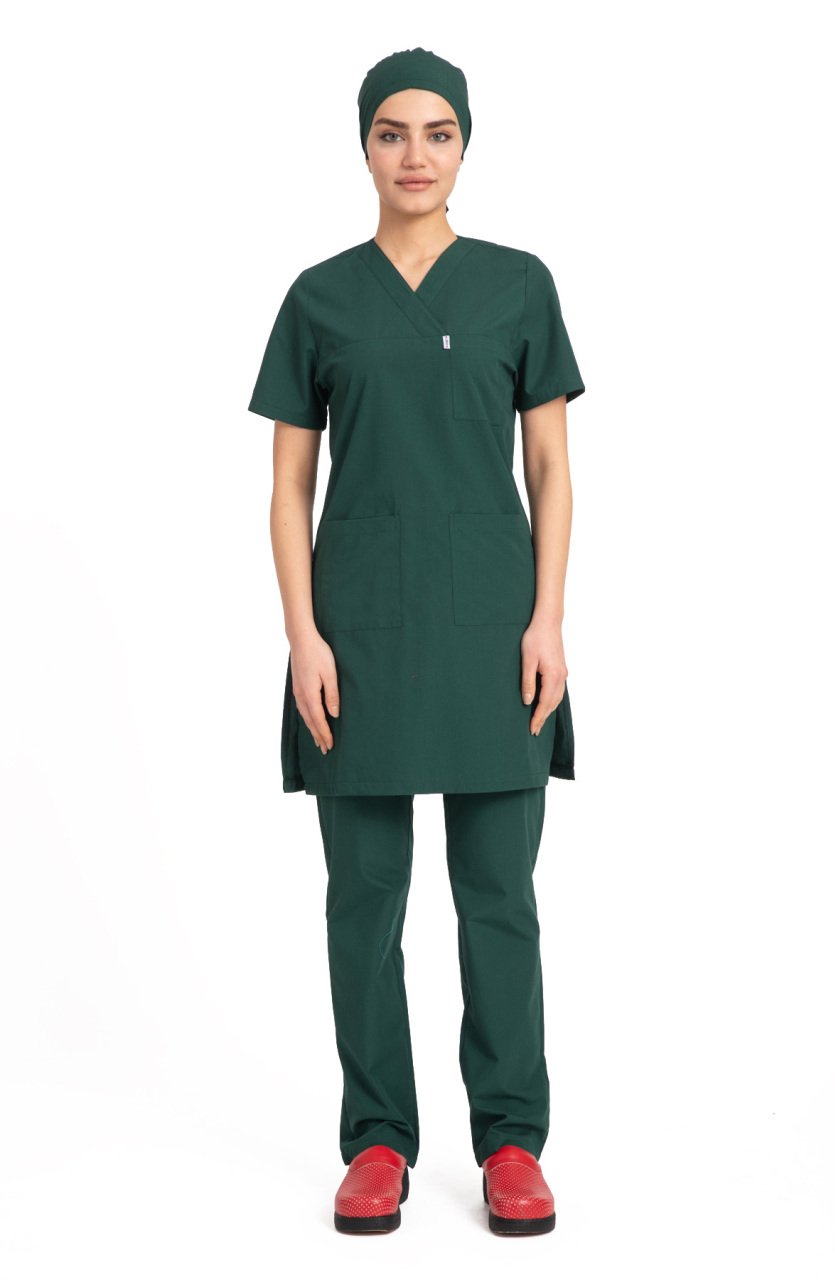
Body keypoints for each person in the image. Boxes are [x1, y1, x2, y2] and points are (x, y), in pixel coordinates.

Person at [247, 46, 586, 1236]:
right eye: (392, 131)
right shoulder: (319, 298)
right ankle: (380, 1137)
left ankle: (511, 1139)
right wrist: (303, 635)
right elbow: (289, 487)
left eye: (438, 132)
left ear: (465, 145)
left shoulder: (518, 286)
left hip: (495, 630)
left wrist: (547, 617)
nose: (415, 154)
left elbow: (549, 466)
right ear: (363, 144)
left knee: (498, 894)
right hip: (359, 635)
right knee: (364, 898)